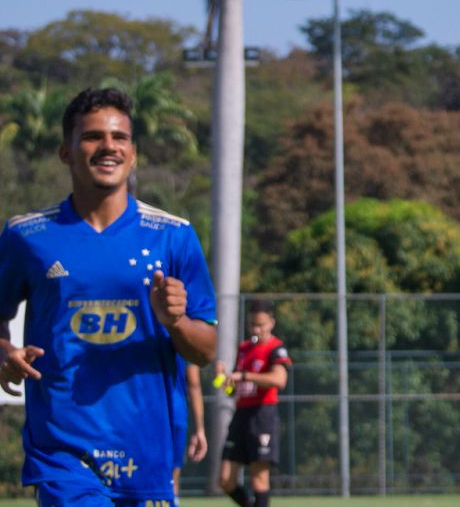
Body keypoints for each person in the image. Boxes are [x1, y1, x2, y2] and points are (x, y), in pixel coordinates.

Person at [0, 87, 217, 507]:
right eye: (93, 136)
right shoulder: (26, 236)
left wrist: (175, 321)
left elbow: (206, 350)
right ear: (66, 152)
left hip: (147, 453)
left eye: (119, 138)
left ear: (133, 153)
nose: (108, 147)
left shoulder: (173, 236)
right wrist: (4, 351)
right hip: (63, 453)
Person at [216, 303, 290, 507]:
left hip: (262, 415)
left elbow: (279, 380)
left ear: (271, 323)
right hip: (241, 415)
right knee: (225, 479)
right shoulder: (244, 348)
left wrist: (245, 375)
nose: (256, 330)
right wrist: (223, 381)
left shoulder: (276, 348)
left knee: (258, 478)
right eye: (252, 325)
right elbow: (233, 391)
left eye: (261, 325)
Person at [171, 362, 206, 501]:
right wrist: (200, 429)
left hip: (139, 410)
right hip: (174, 411)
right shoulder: (184, 340)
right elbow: (194, 383)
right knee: (172, 479)